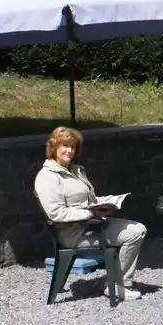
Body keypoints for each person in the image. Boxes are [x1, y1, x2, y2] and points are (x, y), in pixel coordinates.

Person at [34, 126, 146, 301]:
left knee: (138, 227)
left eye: (73, 147)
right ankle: (118, 286)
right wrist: (89, 213)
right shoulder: (48, 176)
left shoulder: (76, 170)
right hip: (72, 232)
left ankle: (117, 281)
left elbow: (87, 200)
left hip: (91, 224)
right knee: (135, 233)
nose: (70, 150)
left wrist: (104, 203)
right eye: (65, 146)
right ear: (54, 147)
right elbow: (55, 213)